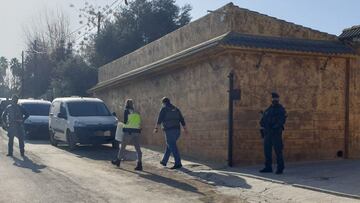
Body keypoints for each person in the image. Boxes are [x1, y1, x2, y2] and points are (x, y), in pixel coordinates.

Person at [154, 97, 187, 170]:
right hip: (177, 130)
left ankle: (178, 163)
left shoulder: (164, 109)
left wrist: (156, 128)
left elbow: (159, 119)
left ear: (163, 103)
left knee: (172, 146)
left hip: (169, 130)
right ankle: (164, 161)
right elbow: (182, 119)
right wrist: (185, 129)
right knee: (170, 145)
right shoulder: (176, 109)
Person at [259, 92, 287, 174]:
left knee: (278, 151)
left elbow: (281, 121)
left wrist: (274, 127)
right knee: (267, 150)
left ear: (278, 99)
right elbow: (262, 121)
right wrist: (263, 124)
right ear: (271, 99)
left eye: (276, 98)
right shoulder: (268, 109)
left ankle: (280, 168)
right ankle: (268, 167)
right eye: (273, 98)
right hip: (268, 133)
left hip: (276, 133)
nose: (274, 100)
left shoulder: (281, 109)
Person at [111, 99, 143, 171]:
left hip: (128, 132)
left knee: (122, 147)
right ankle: (139, 164)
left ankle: (118, 161)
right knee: (138, 149)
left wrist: (121, 123)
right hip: (136, 132)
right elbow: (139, 121)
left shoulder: (126, 111)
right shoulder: (137, 111)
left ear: (126, 104)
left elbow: (125, 122)